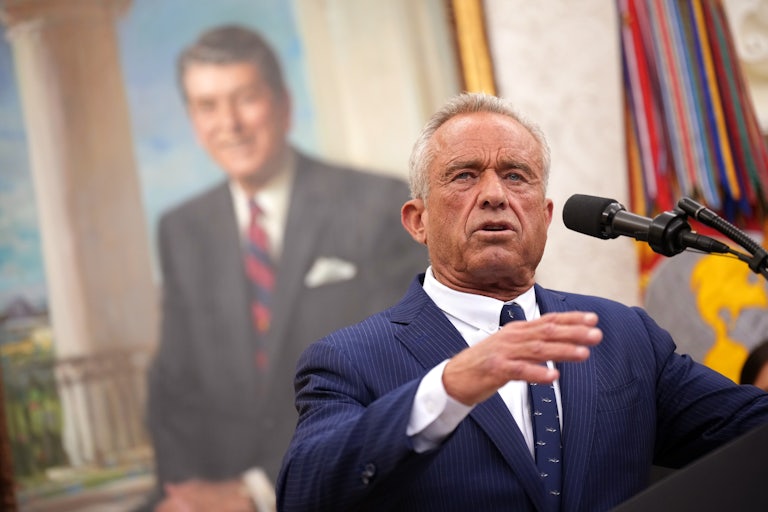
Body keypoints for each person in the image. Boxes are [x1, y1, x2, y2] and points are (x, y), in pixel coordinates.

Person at [276, 92, 768, 511]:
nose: (494, 194)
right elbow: (303, 491)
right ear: (417, 220)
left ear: (545, 213)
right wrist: (447, 388)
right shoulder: (350, 359)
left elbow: (752, 433)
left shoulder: (625, 336)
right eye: (464, 175)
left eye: (516, 176)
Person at [142, 24, 427, 511]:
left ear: (283, 104)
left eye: (245, 98)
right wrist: (187, 492)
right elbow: (172, 387)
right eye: (207, 106)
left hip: (354, 486)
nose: (228, 123)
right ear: (192, 119)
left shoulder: (378, 205)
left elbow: (403, 376)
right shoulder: (180, 229)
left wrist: (257, 493)